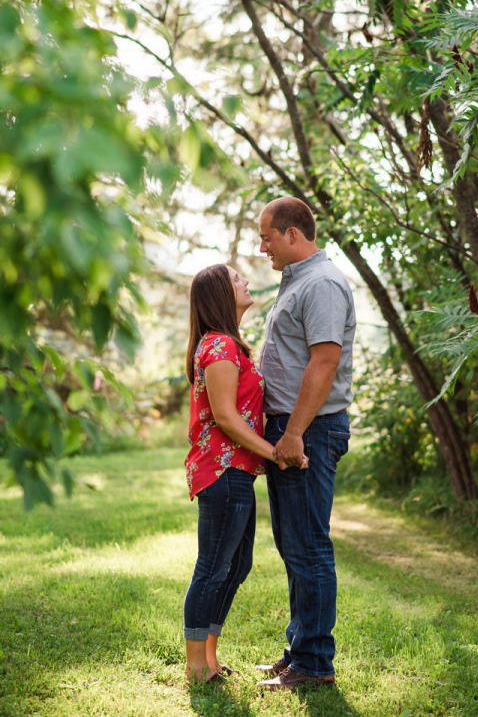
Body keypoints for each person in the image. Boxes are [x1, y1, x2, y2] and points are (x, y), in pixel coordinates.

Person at [256, 196, 356, 691]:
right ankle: (300, 648)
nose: (262, 247)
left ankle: (315, 664)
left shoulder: (322, 283)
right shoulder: (298, 281)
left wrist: (294, 432)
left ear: (293, 233)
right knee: (293, 545)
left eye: (267, 237)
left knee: (309, 547)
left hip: (309, 430)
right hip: (290, 428)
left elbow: (324, 362)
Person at [183, 263, 281, 685]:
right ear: (221, 294)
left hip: (237, 470)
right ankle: (194, 666)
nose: (244, 281)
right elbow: (224, 416)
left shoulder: (230, 344)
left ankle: (210, 657)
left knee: (237, 564)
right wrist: (274, 453)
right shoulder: (220, 346)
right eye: (236, 278)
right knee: (213, 566)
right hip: (223, 470)